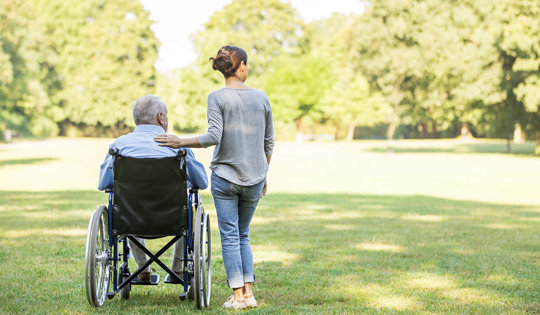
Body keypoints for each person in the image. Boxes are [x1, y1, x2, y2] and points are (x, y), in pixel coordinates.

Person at [154, 45, 274, 310]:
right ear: (241, 66)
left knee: (231, 235)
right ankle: (249, 293)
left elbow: (213, 137)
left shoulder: (216, 97)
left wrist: (180, 141)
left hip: (225, 177)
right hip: (255, 177)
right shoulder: (262, 97)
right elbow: (268, 143)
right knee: (243, 234)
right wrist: (264, 174)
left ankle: (238, 296)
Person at [98, 95, 208, 283]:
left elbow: (104, 184)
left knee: (127, 204)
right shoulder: (177, 147)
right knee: (188, 206)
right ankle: (178, 270)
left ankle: (143, 271)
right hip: (173, 219)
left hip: (131, 219)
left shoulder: (119, 146)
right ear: (161, 117)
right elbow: (202, 183)